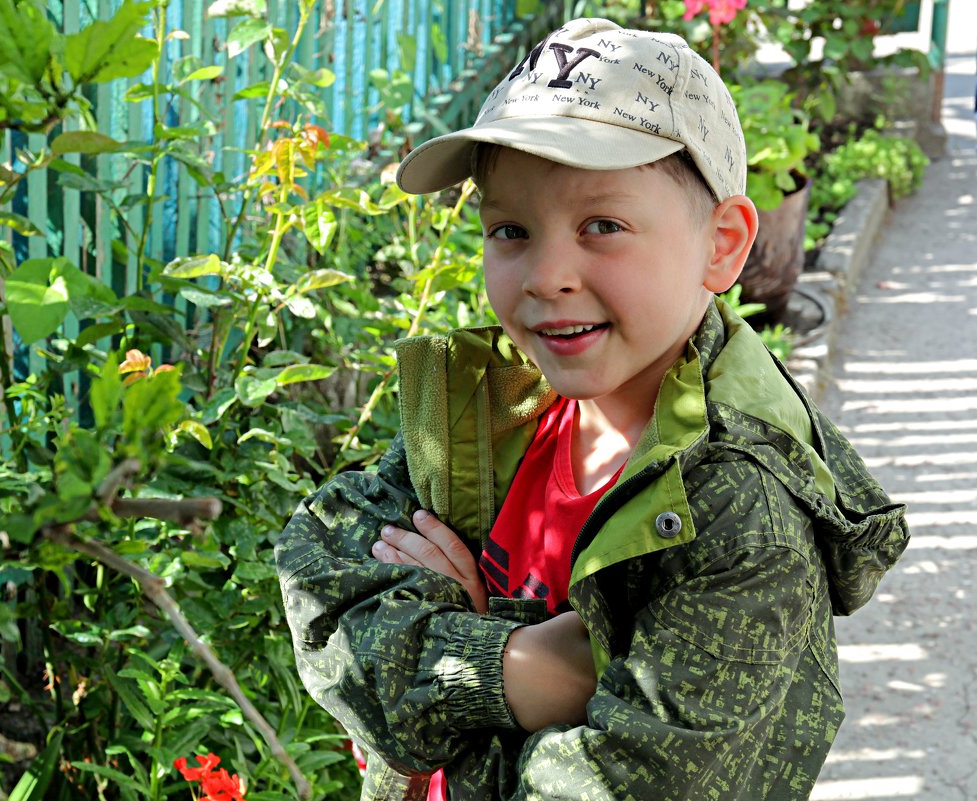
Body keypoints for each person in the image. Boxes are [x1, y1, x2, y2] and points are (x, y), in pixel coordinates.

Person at [276, 17, 908, 801]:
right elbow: (320, 572)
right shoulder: (500, 407)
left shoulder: (739, 516)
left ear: (722, 243)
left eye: (600, 226)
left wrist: (434, 684)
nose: (545, 274)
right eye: (509, 229)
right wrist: (514, 664)